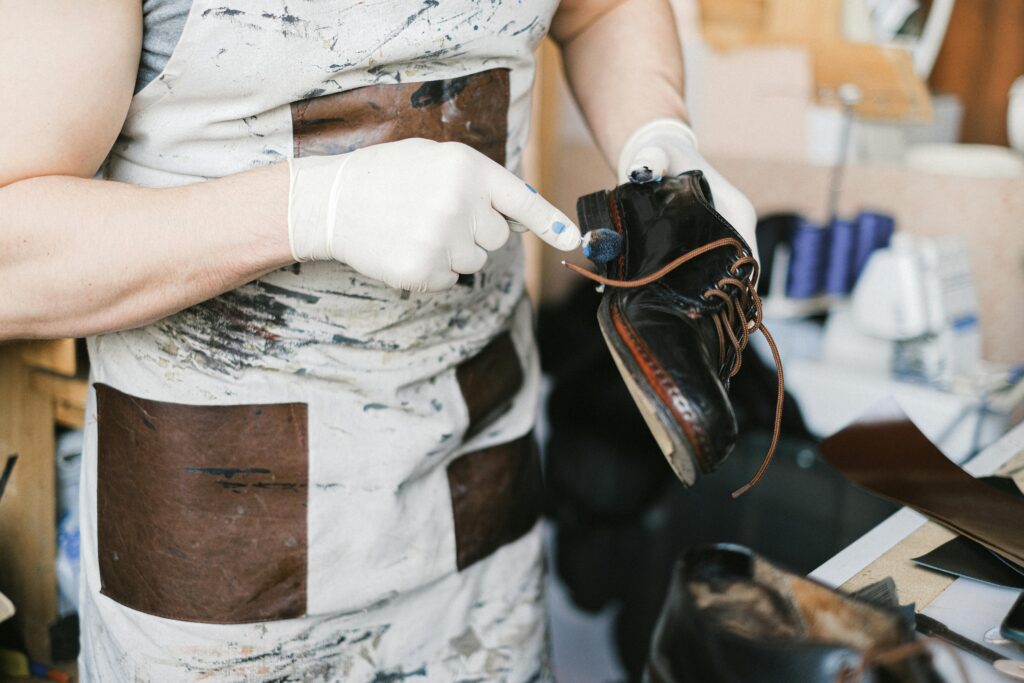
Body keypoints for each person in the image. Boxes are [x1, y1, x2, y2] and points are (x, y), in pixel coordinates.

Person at [0, 0, 757, 679]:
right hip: (220, 581)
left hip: (483, 528)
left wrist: (661, 138)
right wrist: (314, 209)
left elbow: (600, 11)